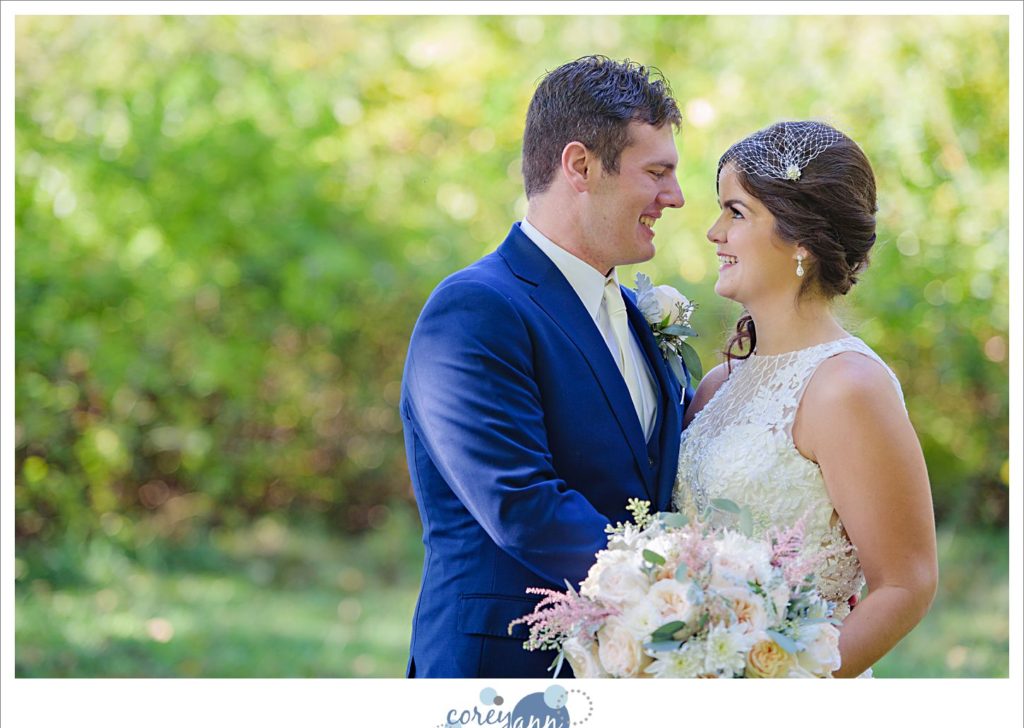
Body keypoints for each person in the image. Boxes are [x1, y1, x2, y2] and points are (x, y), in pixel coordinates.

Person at [400, 56, 693, 678]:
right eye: (657, 172)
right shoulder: (475, 309)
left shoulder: (636, 314)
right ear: (580, 166)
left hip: (632, 670)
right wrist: (687, 595)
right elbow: (521, 504)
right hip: (506, 672)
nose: (675, 197)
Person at [673, 121, 938, 677]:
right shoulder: (718, 386)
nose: (714, 232)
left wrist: (781, 686)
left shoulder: (848, 387)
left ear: (801, 238)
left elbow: (906, 584)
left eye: (735, 212)